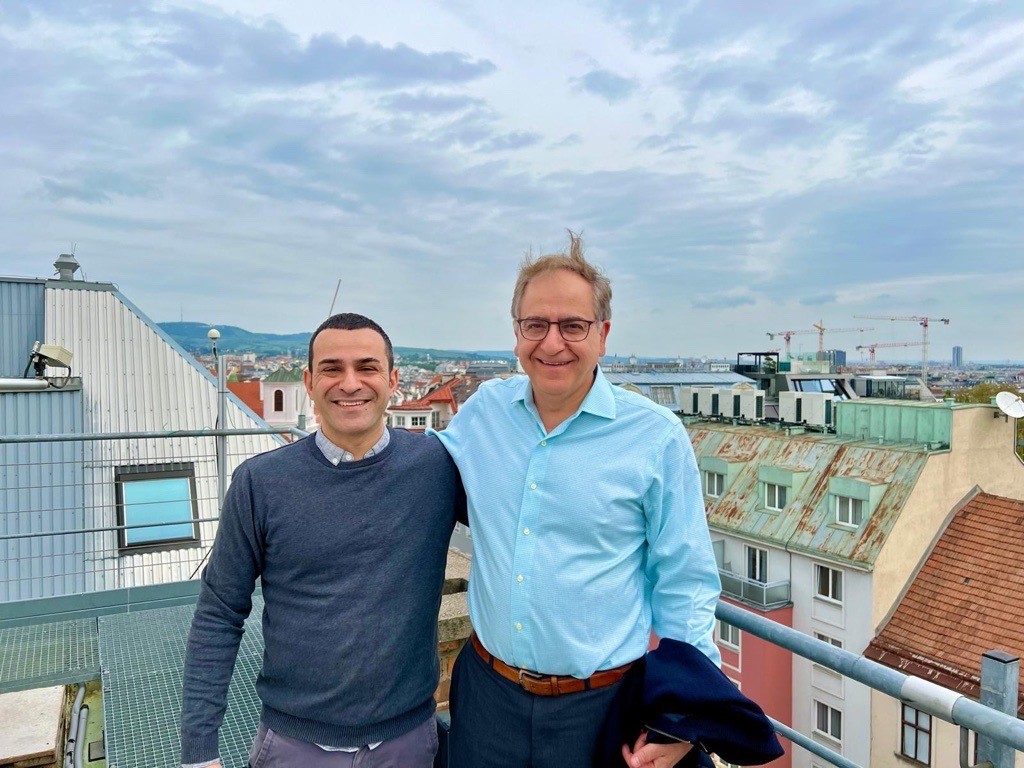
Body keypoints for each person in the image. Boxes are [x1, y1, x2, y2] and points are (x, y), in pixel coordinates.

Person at [434, 233, 722, 768]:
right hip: (486, 699)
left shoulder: (655, 437)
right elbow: (407, 477)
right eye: (535, 325)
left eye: (572, 325)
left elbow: (685, 581)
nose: (552, 343)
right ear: (516, 332)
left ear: (604, 334)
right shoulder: (482, 413)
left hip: (602, 710)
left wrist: (686, 717)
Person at [180, 313, 464, 768]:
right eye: (332, 369)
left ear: (393, 380)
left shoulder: (438, 468)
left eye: (367, 368)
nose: (350, 383)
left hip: (407, 742)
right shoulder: (261, 483)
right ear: (309, 382)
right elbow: (219, 613)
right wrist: (198, 751)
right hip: (295, 746)